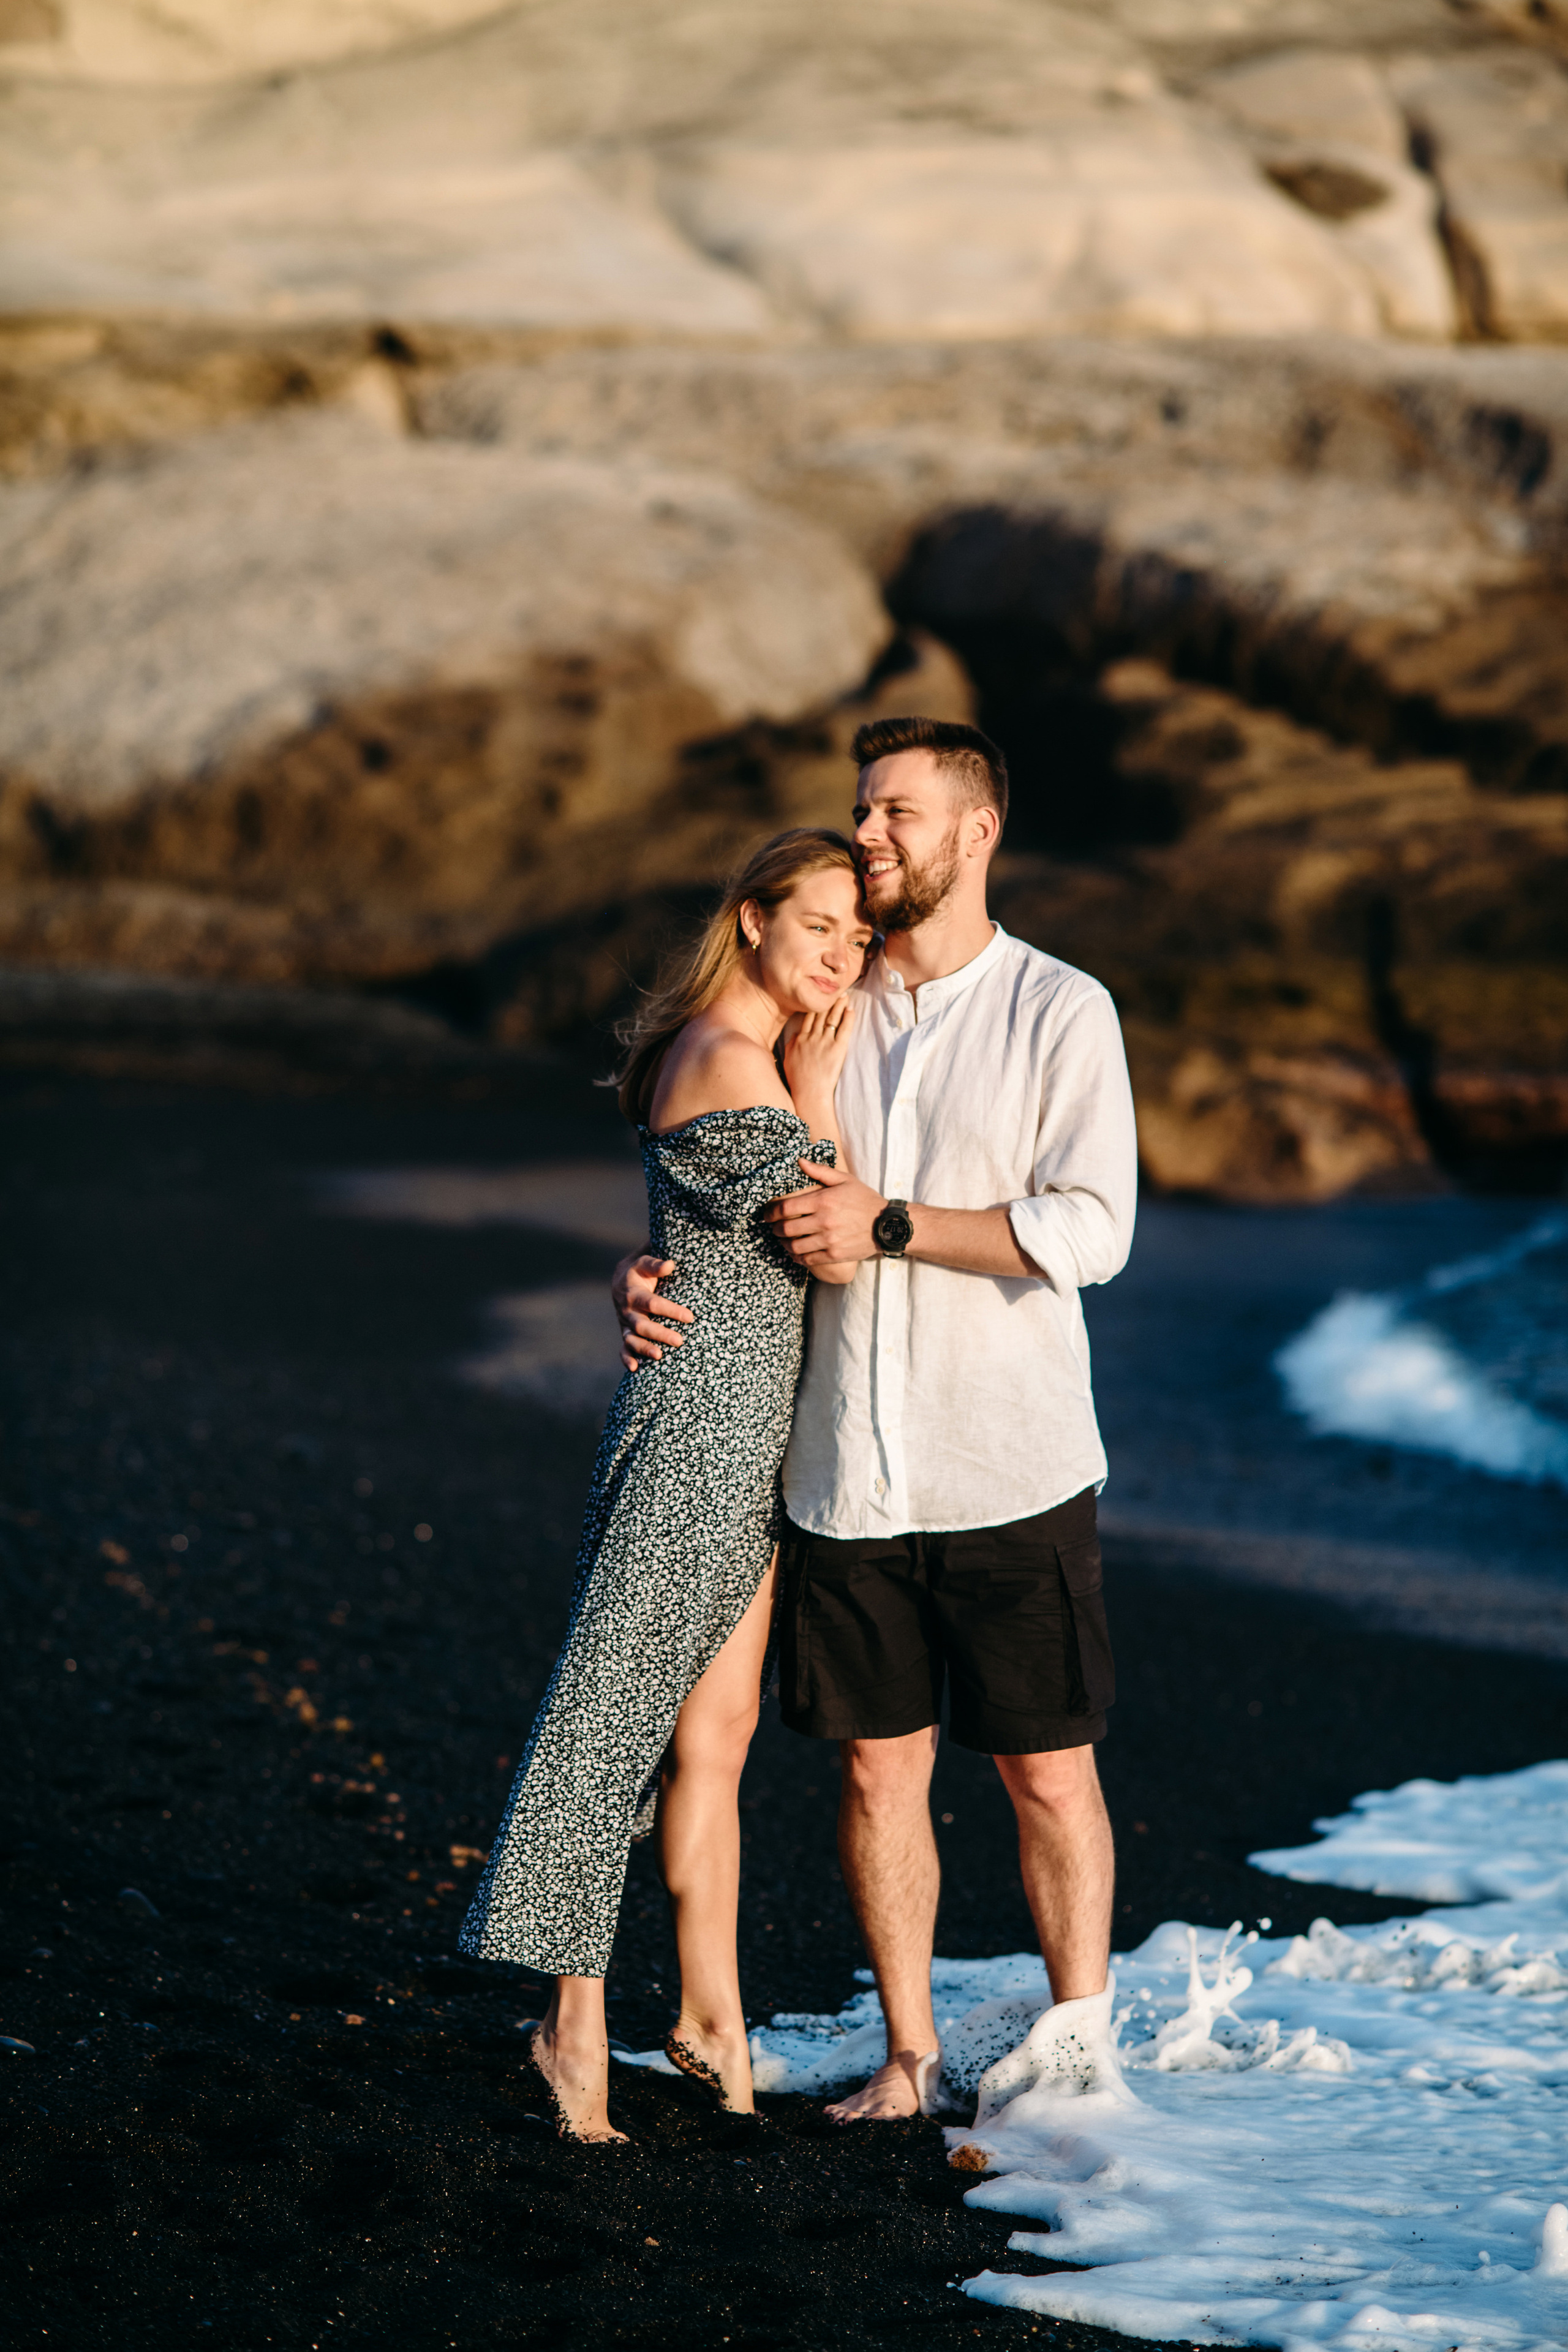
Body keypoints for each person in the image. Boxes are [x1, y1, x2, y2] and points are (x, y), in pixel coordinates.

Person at [614, 715, 1138, 2124]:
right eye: (862, 809)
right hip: (840, 1464)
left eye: (898, 811)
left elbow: (1091, 1232)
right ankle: (907, 2058)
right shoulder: (812, 998)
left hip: (1007, 1456)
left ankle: (1078, 2055)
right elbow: (706, 1158)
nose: (870, 834)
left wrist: (891, 1224)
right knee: (873, 1769)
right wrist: (653, 1271)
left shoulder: (1057, 1010)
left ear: (976, 832)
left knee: (1043, 1770)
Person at [460, 829, 872, 2141]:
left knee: (717, 1737)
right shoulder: (729, 1055)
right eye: (820, 926)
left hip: (741, 1441)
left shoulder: (743, 1049)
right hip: (694, 1435)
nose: (842, 954)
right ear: (750, 918)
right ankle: (568, 2021)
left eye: (858, 937)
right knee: (610, 1721)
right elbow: (831, 1237)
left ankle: (710, 2018)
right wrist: (815, 1093)